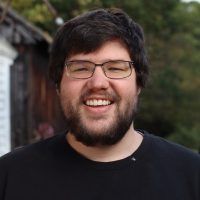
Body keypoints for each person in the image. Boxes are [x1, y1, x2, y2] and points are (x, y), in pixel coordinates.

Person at [0, 8, 199, 200]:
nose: (98, 83)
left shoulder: (192, 175)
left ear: (139, 83)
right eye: (80, 68)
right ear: (59, 84)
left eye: (115, 68)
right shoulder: (9, 177)